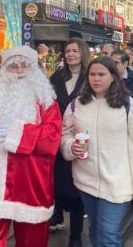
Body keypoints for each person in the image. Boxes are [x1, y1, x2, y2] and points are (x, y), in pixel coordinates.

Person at [0, 46, 62, 247]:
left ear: (34, 70)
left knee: (32, 240)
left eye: (24, 66)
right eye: (13, 66)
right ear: (4, 71)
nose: (19, 71)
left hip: (31, 181)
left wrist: (16, 133)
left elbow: (52, 138)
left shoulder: (47, 102)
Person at [61, 56, 133, 246]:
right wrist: (71, 146)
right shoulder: (77, 104)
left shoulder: (128, 105)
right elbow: (65, 134)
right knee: (95, 232)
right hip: (86, 181)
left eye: (101, 74)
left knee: (108, 235)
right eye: (92, 74)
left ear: (113, 76)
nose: (96, 79)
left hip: (118, 184)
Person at [49, 37, 90, 247]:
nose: (70, 54)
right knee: (58, 183)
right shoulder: (57, 76)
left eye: (74, 50)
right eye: (67, 51)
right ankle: (56, 216)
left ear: (82, 52)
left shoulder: (90, 76)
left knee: (77, 190)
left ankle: (75, 235)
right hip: (57, 137)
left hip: (80, 137)